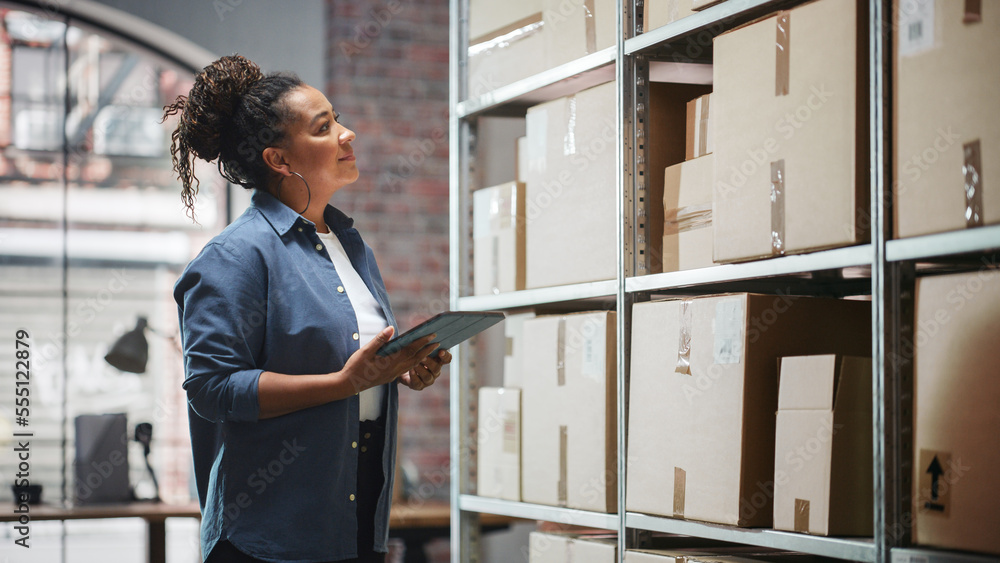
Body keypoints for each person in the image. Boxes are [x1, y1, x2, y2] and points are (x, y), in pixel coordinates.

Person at [167, 54, 451, 563]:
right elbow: (211, 388)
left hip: (355, 516)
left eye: (337, 119)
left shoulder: (348, 243)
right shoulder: (234, 258)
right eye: (325, 128)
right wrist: (345, 384)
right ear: (280, 159)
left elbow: (350, 364)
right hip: (269, 536)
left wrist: (397, 371)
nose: (348, 134)